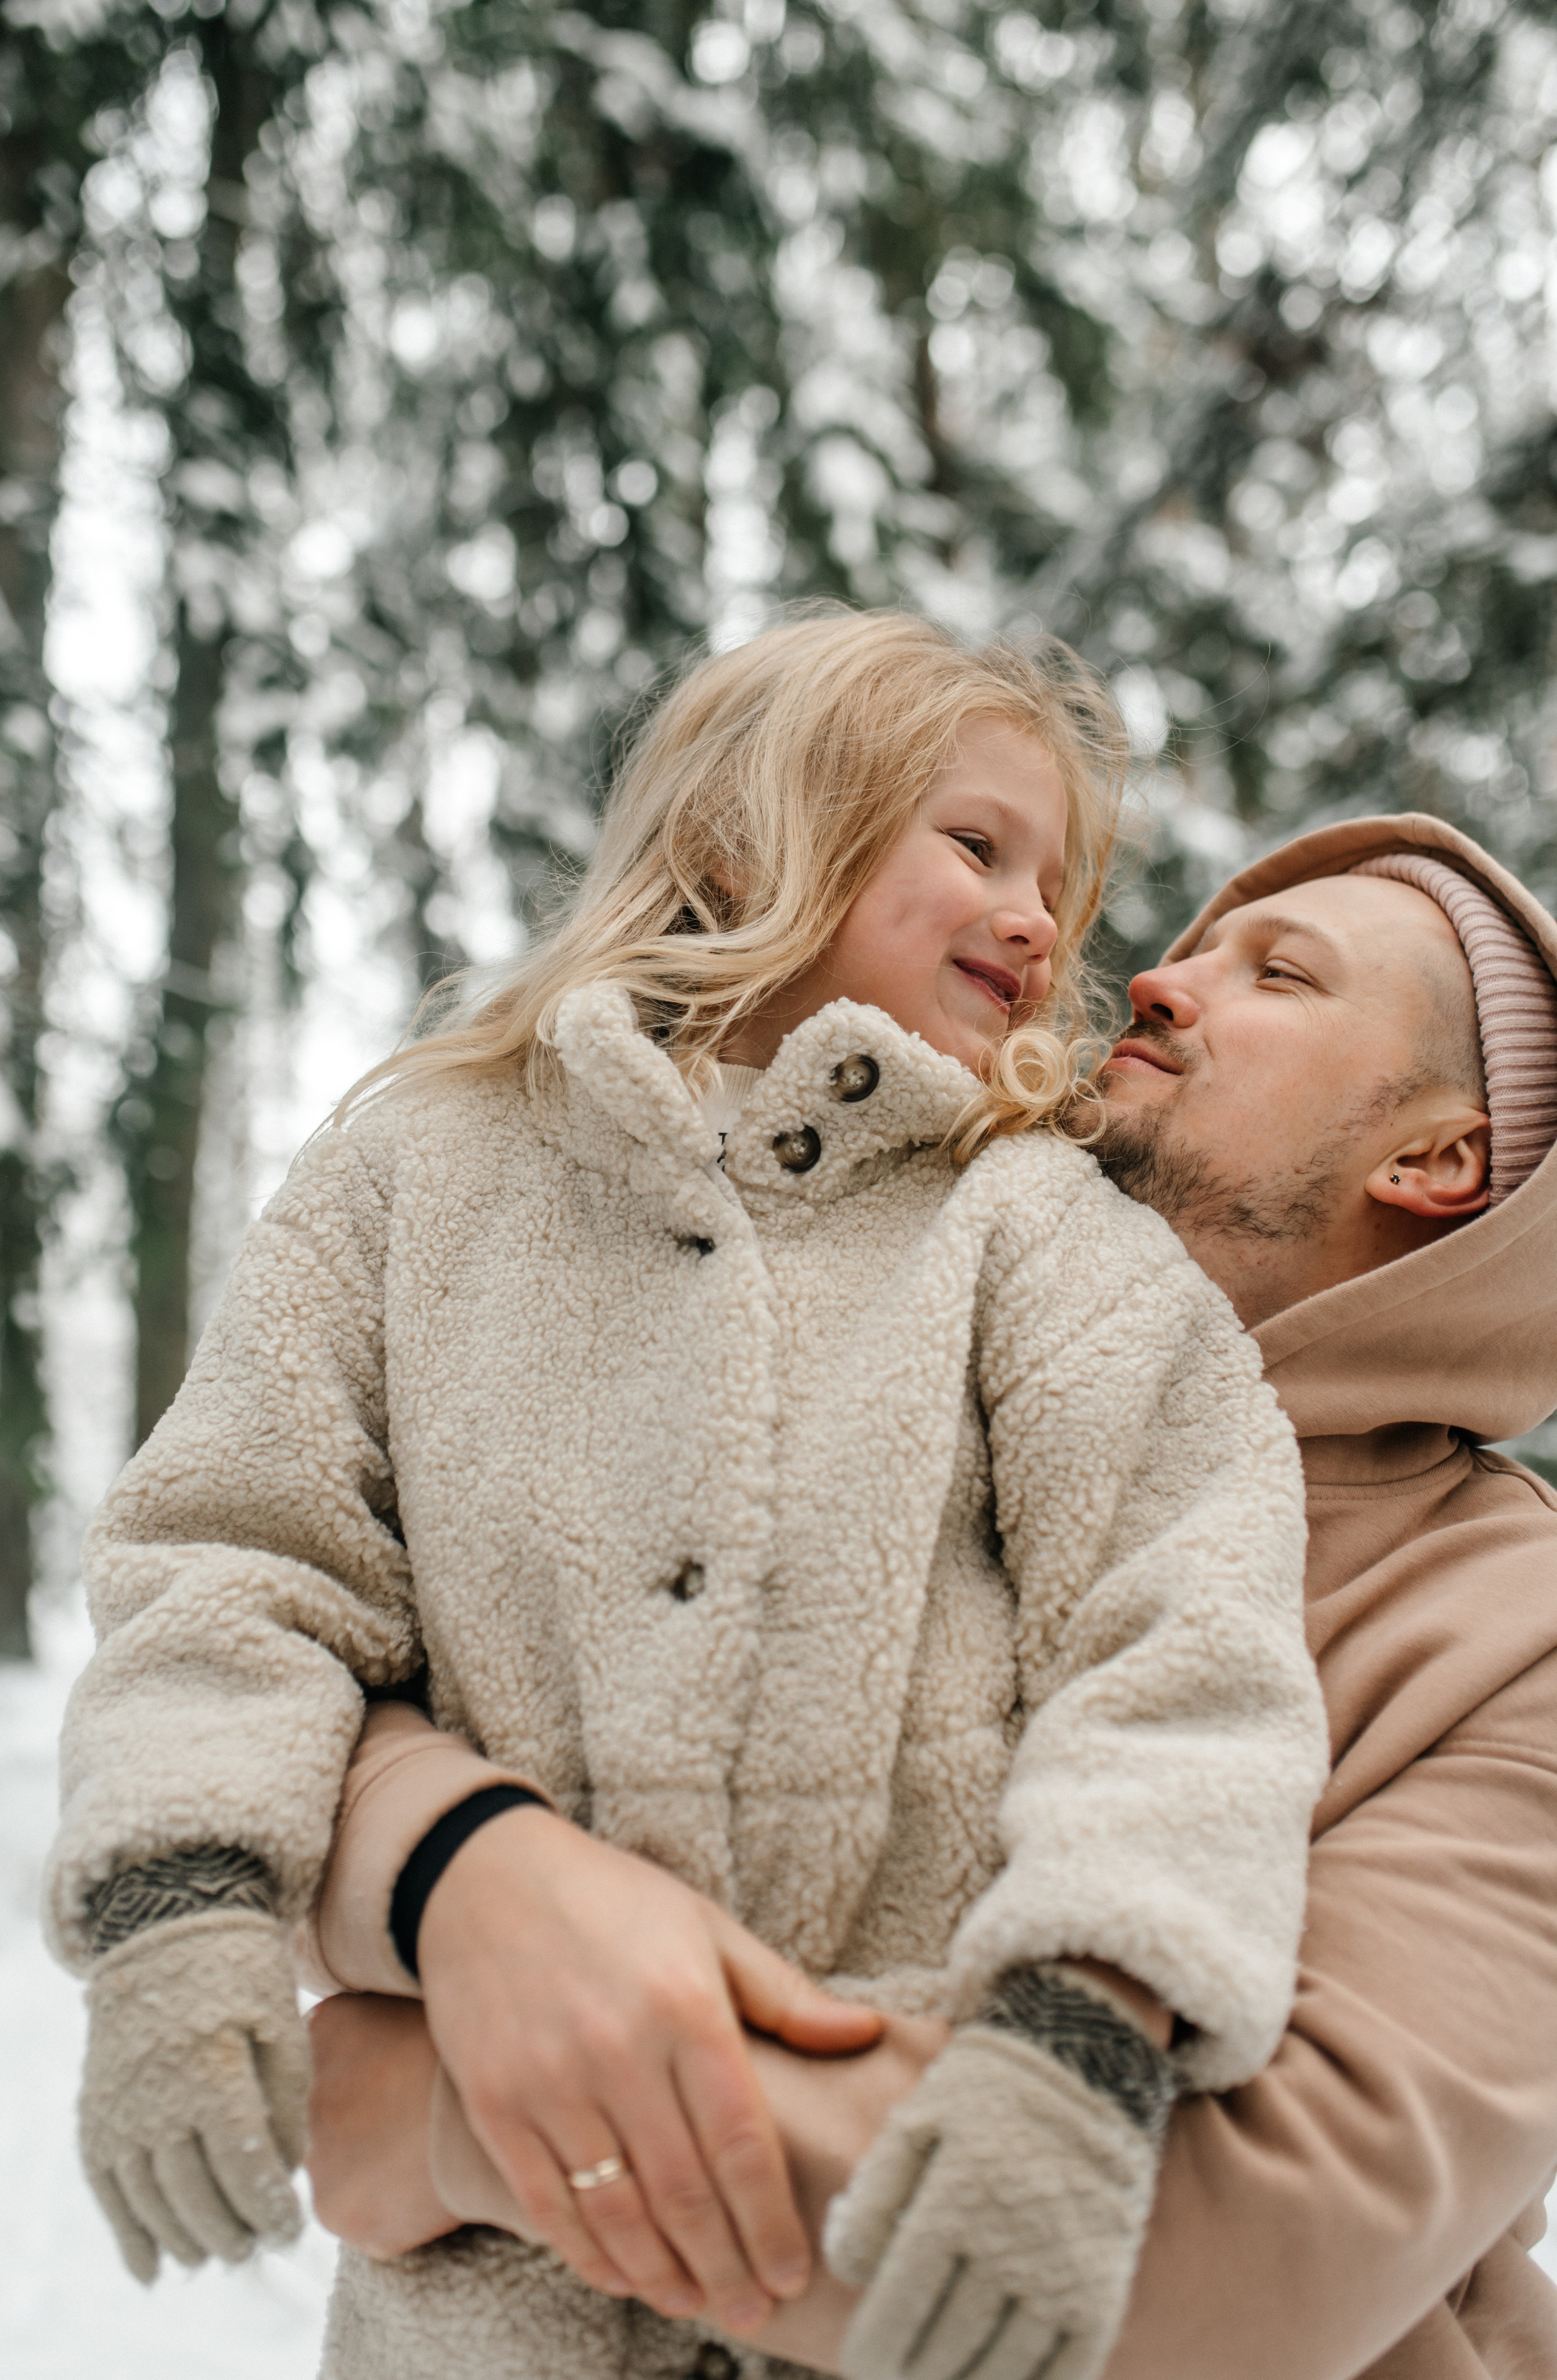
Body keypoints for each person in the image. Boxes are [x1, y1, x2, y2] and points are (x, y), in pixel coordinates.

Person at [43, 608, 1327, 2380]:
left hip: (887, 2250)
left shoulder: (1036, 1233)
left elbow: (1191, 1629)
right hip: (490, 2312)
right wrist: (177, 1911)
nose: (1043, 920)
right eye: (977, 846)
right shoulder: (423, 1170)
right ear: (743, 836)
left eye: (1062, 883)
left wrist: (1080, 2034)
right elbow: (233, 1558)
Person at [307, 809, 1557, 2380]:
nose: (1160, 982)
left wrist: (468, 2116)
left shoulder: (1512, 1631)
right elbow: (307, 1654)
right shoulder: (823, 1336)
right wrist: (461, 1867)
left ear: (1434, 1154)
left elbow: (1239, 2266)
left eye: (1279, 976)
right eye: (1190, 947)